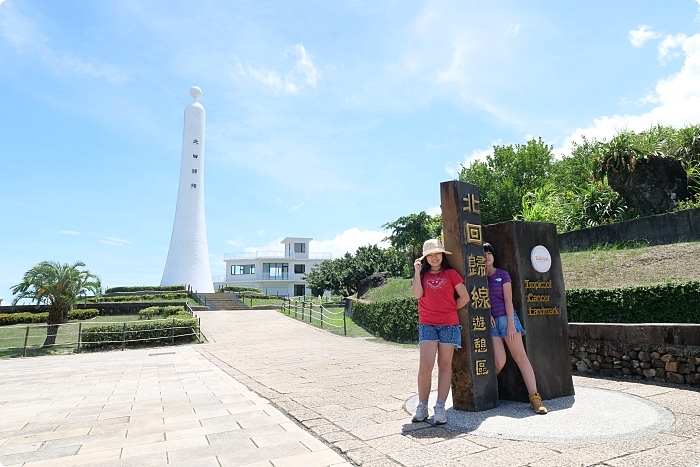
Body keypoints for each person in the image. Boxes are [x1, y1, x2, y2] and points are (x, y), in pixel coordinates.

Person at [484, 242, 547, 414]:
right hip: (492, 324)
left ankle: (535, 398)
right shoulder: (479, 279)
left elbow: (507, 300)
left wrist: (511, 323)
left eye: (489, 253)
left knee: (520, 357)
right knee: (499, 361)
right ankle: (484, 389)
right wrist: (487, 314)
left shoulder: (503, 275)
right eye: (483, 254)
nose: (487, 256)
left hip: (507, 320)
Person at [411, 239, 470, 425]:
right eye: (430, 254)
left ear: (443, 255)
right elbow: (417, 294)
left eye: (437, 253)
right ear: (425, 258)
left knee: (445, 365)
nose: (434, 257)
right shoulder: (422, 275)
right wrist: (417, 271)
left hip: (449, 325)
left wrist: (450, 310)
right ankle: (422, 406)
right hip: (427, 324)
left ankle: (440, 406)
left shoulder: (451, 274)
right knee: (425, 365)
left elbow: (465, 297)